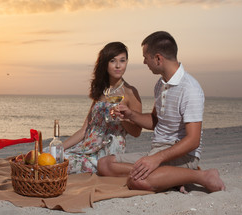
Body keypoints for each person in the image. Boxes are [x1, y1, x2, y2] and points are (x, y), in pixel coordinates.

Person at [97, 31, 226, 193]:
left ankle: (201, 176)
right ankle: (174, 177)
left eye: (146, 57)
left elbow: (193, 140)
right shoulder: (160, 84)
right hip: (157, 150)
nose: (144, 62)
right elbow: (155, 121)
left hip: (181, 156)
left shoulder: (190, 89)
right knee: (104, 164)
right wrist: (130, 115)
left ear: (158, 58)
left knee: (138, 181)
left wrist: (156, 159)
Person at [63, 42, 142, 174]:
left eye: (122, 61)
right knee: (54, 156)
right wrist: (59, 148)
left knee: (64, 163)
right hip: (86, 146)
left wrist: (122, 118)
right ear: (105, 63)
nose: (118, 66)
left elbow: (137, 132)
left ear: (127, 62)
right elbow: (85, 129)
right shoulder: (101, 90)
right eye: (113, 61)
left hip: (107, 151)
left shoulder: (130, 92)